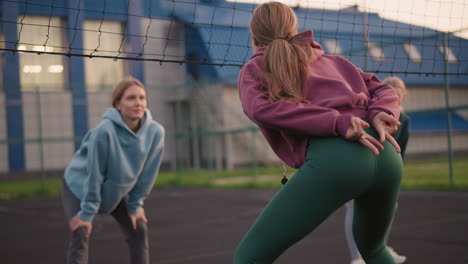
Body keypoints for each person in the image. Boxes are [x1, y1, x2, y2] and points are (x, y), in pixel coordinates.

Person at [234, 2, 403, 264]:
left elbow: (261, 109)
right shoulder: (336, 62)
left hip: (338, 159)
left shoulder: (256, 68)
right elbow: (384, 89)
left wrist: (337, 122)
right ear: (295, 29)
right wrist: (384, 112)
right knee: (374, 250)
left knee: (249, 258)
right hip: (388, 157)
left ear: (254, 38)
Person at [61, 76, 165, 264]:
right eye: (131, 98)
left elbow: (148, 174)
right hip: (80, 184)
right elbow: (95, 174)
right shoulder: (104, 131)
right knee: (81, 230)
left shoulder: (155, 132)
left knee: (138, 227)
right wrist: (87, 213)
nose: (138, 103)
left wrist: (135, 204)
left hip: (115, 188)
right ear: (118, 104)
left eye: (142, 98)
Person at [345, 76, 410, 264]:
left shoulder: (404, 120)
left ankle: (379, 245)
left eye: (398, 94)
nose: (394, 97)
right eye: (391, 93)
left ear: (404, 96)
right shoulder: (369, 113)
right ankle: (357, 257)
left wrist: (394, 177)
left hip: (384, 171)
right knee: (354, 207)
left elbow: (400, 152)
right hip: (362, 166)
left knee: (389, 206)